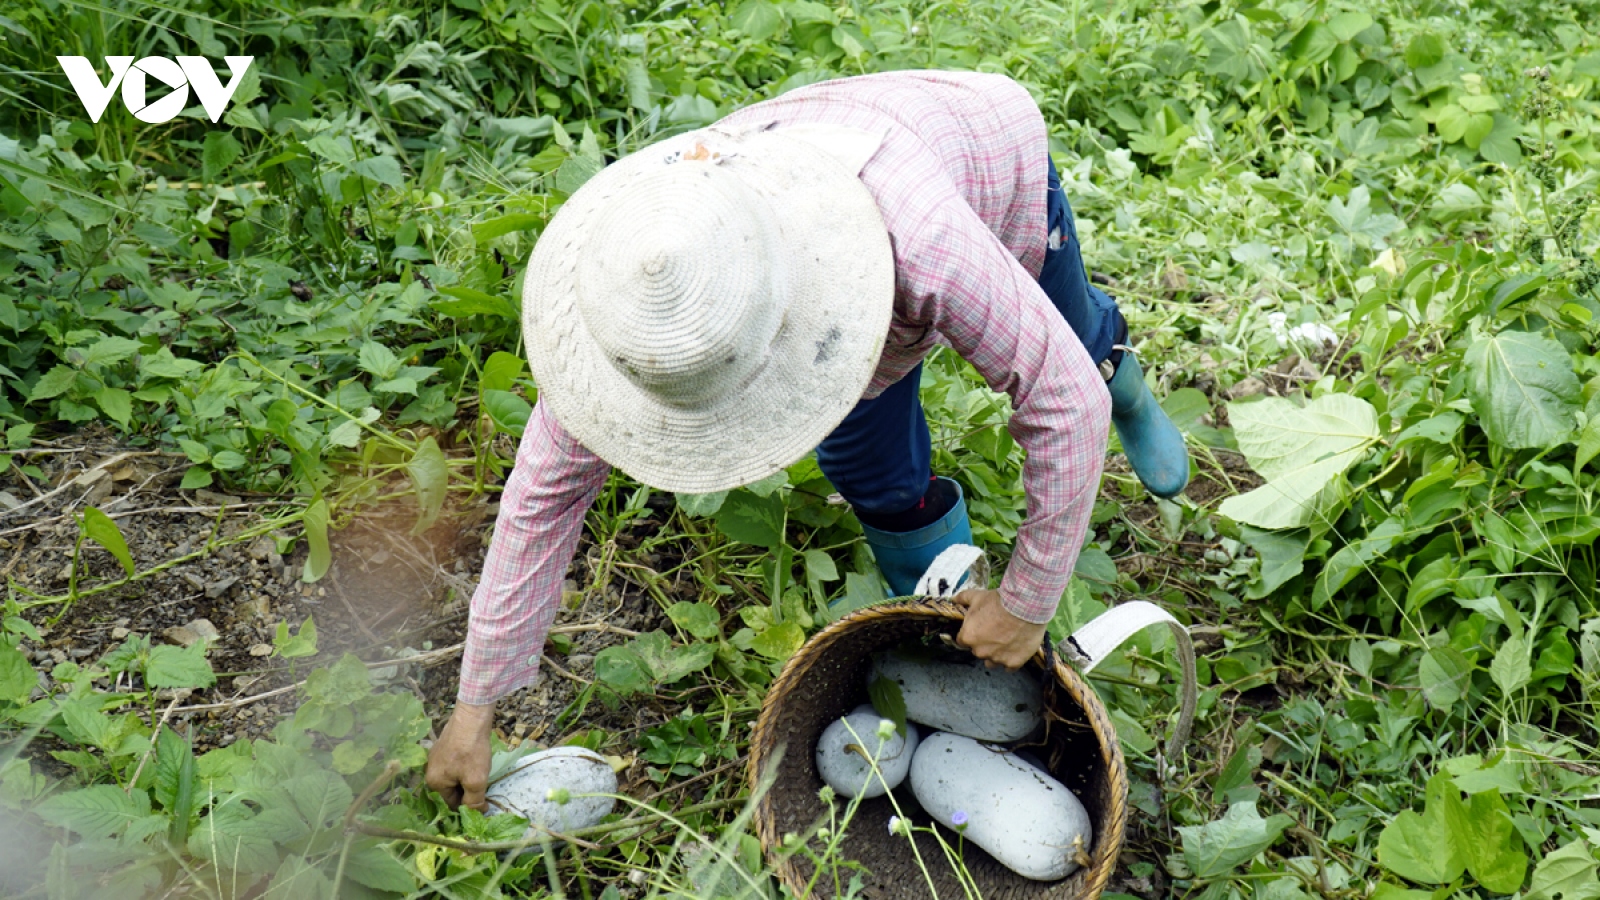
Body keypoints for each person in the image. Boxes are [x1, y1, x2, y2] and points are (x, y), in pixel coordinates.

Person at [424, 70, 1188, 811]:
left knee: (1076, 349)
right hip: (831, 244)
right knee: (865, 462)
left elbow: (1061, 401)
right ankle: (938, 629)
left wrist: (1026, 602)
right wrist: (474, 705)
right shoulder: (635, 313)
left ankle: (1130, 382)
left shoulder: (921, 240)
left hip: (984, 161)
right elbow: (540, 502)